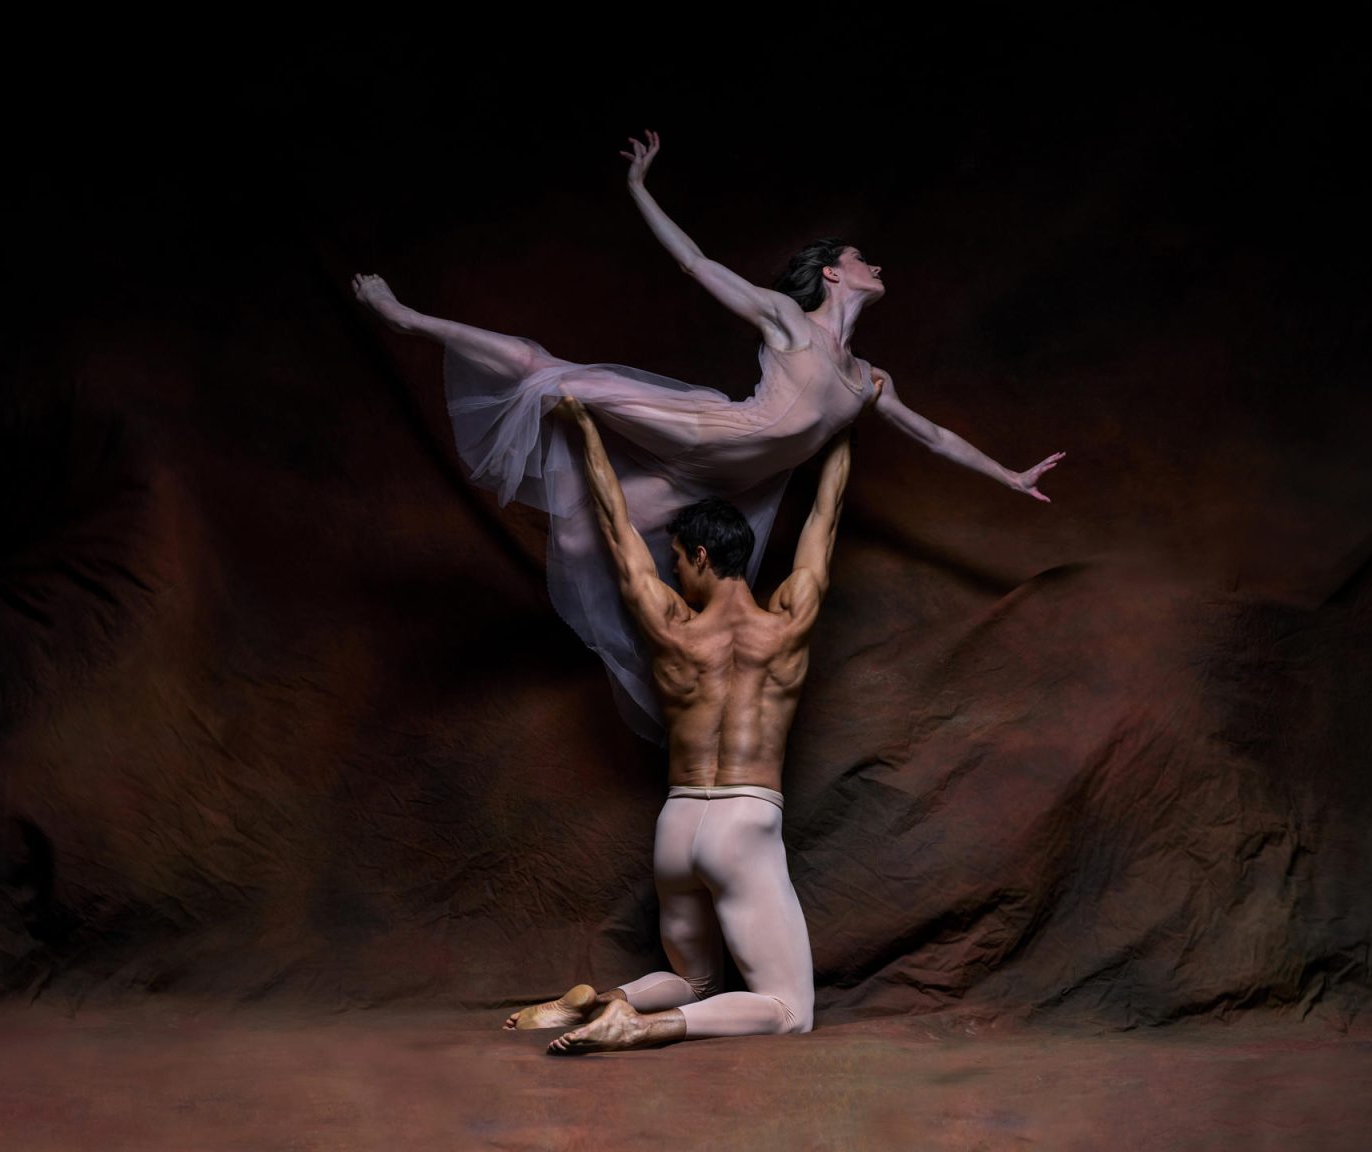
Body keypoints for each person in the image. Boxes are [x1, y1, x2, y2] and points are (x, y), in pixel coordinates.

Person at [353, 130, 1063, 742]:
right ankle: (408, 319)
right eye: (863, 259)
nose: (876, 267)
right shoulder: (790, 320)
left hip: (726, 482)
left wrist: (1008, 475)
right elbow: (695, 263)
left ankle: (656, 684)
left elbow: (933, 437)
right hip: (707, 430)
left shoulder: (871, 379)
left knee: (575, 540)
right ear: (832, 273)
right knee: (548, 375)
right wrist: (638, 186)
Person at [502, 395, 852, 1053]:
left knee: (695, 978)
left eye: (676, 559)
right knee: (789, 1010)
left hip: (679, 823)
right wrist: (843, 430)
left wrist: (584, 430)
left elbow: (615, 527)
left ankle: (607, 999)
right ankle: (641, 1026)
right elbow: (824, 521)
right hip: (744, 823)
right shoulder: (788, 624)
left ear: (696, 554)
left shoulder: (673, 627)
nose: (670, 569)